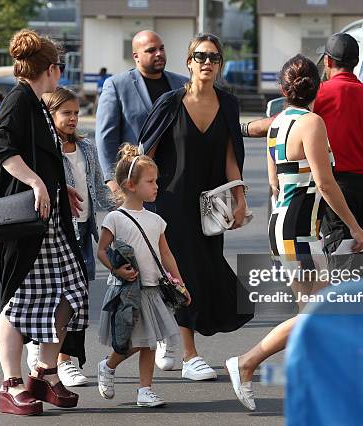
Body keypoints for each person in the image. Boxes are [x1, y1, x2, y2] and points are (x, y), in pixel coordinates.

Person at [225, 54, 363, 411]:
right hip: (299, 230)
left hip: (286, 224)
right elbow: (325, 183)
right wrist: (354, 226)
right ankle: (246, 362)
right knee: (315, 313)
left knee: (313, 311)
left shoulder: (278, 123)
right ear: (317, 88)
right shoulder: (312, 122)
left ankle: (315, 385)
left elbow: (275, 184)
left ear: (282, 88)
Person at [137, 33, 254, 380]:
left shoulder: (228, 104)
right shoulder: (171, 102)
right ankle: (190, 356)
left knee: (205, 271)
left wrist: (240, 198)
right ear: (188, 62)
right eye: (200, 56)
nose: (207, 62)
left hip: (211, 206)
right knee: (183, 272)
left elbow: (232, 156)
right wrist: (139, 199)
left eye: (214, 58)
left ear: (219, 65)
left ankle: (170, 334)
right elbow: (147, 155)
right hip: (172, 203)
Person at [0, 29, 88, 416]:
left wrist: (57, 188)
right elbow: (3, 149)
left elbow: (40, 157)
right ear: (52, 68)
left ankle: (44, 374)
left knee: (71, 289)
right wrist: (35, 183)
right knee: (18, 300)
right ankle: (11, 384)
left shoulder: (33, 100)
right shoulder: (19, 100)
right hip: (26, 222)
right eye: (60, 66)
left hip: (47, 219)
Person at [242, 34, 363, 256]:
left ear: (327, 61)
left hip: (333, 192)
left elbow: (276, 125)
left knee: (333, 269)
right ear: (356, 62)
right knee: (358, 265)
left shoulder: (318, 94)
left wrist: (240, 128)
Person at [24, 87, 116, 387]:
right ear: (50, 116)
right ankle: (59, 359)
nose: (74, 118)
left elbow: (98, 192)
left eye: (77, 113)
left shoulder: (86, 149)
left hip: (83, 232)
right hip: (55, 233)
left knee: (77, 299)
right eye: (66, 113)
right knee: (56, 297)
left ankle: (59, 356)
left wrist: (125, 202)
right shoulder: (45, 150)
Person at [95, 144, 190, 407]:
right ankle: (109, 365)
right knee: (130, 341)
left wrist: (179, 282)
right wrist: (115, 269)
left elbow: (167, 254)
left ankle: (145, 390)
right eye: (150, 181)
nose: (156, 186)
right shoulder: (116, 218)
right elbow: (102, 250)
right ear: (131, 185)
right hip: (127, 291)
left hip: (153, 289)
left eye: (156, 181)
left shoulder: (155, 220)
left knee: (149, 342)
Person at [96, 30, 187, 193]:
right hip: (136, 183)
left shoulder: (183, 84)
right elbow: (106, 137)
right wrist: (112, 180)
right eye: (151, 50)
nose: (159, 54)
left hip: (177, 182)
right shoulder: (117, 85)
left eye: (162, 48)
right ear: (136, 56)